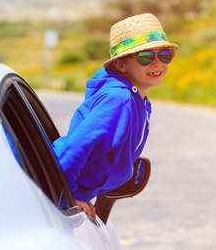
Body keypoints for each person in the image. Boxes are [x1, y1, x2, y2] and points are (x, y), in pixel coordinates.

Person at [52, 13, 179, 218]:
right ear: (121, 65)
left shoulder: (136, 99)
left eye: (164, 55)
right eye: (145, 57)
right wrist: (66, 197)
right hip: (60, 193)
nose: (157, 63)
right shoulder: (118, 101)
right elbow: (76, 147)